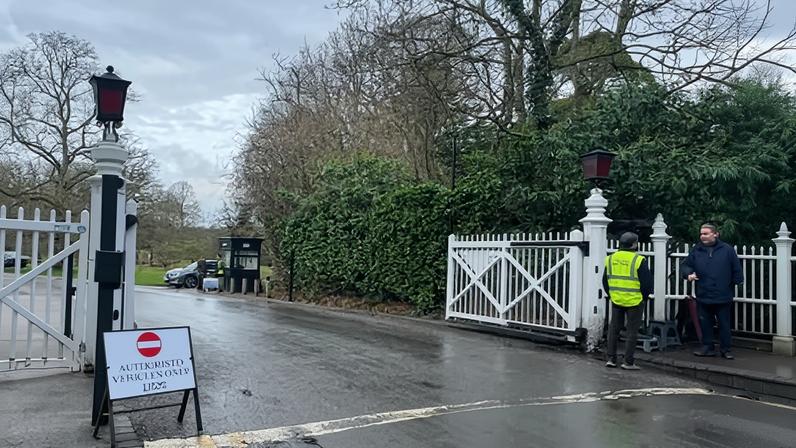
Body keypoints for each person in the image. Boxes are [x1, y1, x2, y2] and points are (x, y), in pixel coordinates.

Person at [681, 223, 743, 359]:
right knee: (705, 322)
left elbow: (736, 268)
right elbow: (686, 265)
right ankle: (707, 347)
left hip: (723, 294)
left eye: (706, 233)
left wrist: (735, 282)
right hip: (703, 293)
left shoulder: (727, 250)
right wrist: (688, 275)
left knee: (724, 324)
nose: (702, 236)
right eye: (701, 233)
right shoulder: (696, 250)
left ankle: (726, 349)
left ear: (715, 234)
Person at [603, 232, 653, 370]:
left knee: (614, 329)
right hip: (634, 300)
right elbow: (647, 283)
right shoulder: (638, 260)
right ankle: (628, 362)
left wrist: (612, 294)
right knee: (632, 331)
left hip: (616, 299)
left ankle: (611, 359)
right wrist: (644, 297)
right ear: (634, 244)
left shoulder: (610, 258)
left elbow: (605, 281)